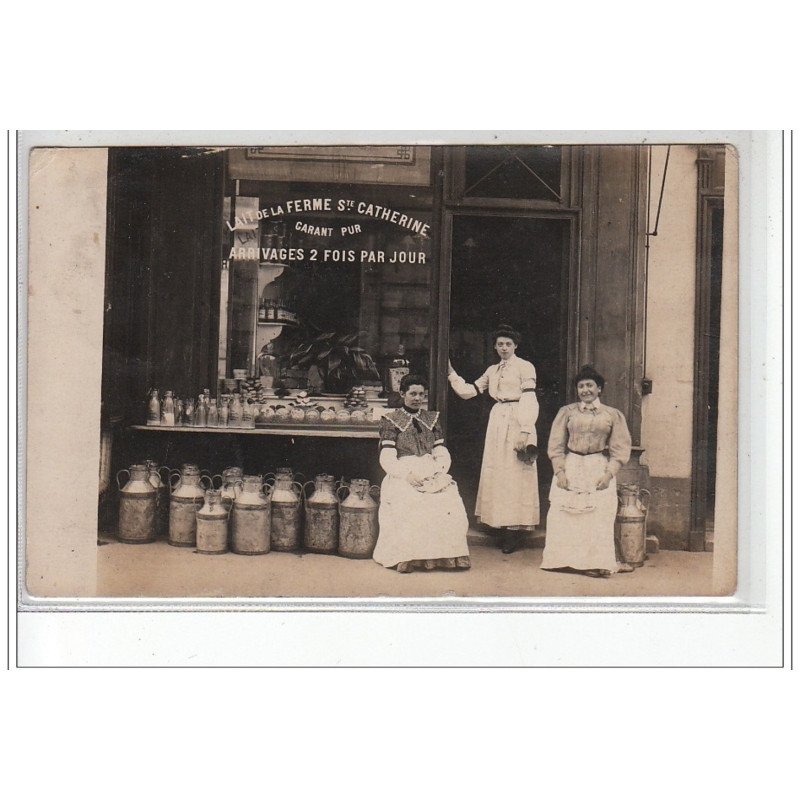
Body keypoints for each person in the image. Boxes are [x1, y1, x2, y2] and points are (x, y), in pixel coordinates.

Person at [447, 324, 539, 554]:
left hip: (519, 419)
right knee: (498, 471)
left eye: (508, 344)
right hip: (498, 419)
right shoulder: (492, 370)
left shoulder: (525, 367)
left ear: (516, 345)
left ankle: (514, 531)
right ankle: (499, 523)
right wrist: (450, 373)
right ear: (495, 346)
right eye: (500, 344)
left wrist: (526, 430)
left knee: (515, 473)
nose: (504, 348)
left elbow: (529, 398)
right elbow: (469, 391)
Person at [541, 365, 633, 578]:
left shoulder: (612, 414)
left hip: (597, 466)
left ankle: (595, 562)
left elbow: (620, 448)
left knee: (597, 515)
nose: (585, 390)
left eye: (590, 385)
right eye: (581, 386)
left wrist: (609, 474)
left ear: (599, 388)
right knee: (566, 514)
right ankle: (565, 561)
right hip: (572, 464)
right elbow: (555, 445)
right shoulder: (567, 412)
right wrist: (560, 472)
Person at [372, 374, 471, 573]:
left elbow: (440, 451)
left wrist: (439, 472)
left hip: (430, 469)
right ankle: (408, 557)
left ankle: (448, 556)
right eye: (413, 393)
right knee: (411, 501)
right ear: (402, 394)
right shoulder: (391, 420)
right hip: (403, 471)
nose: (417, 398)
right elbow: (387, 456)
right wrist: (406, 475)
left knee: (449, 498)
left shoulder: (431, 418)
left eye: (421, 394)